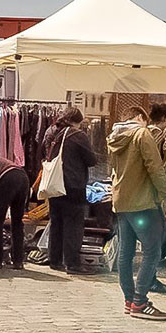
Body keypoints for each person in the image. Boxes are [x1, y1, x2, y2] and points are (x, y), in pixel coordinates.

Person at [107, 105, 166, 321]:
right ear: (139, 117)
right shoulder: (141, 134)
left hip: (122, 201)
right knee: (152, 251)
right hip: (142, 202)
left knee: (126, 253)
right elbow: (155, 166)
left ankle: (129, 299)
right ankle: (140, 301)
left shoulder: (114, 136)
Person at [44, 107, 98, 274]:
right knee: (73, 224)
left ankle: (55, 260)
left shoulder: (51, 132)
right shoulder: (77, 135)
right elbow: (91, 160)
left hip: (54, 184)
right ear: (77, 121)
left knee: (56, 222)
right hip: (73, 184)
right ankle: (72, 263)